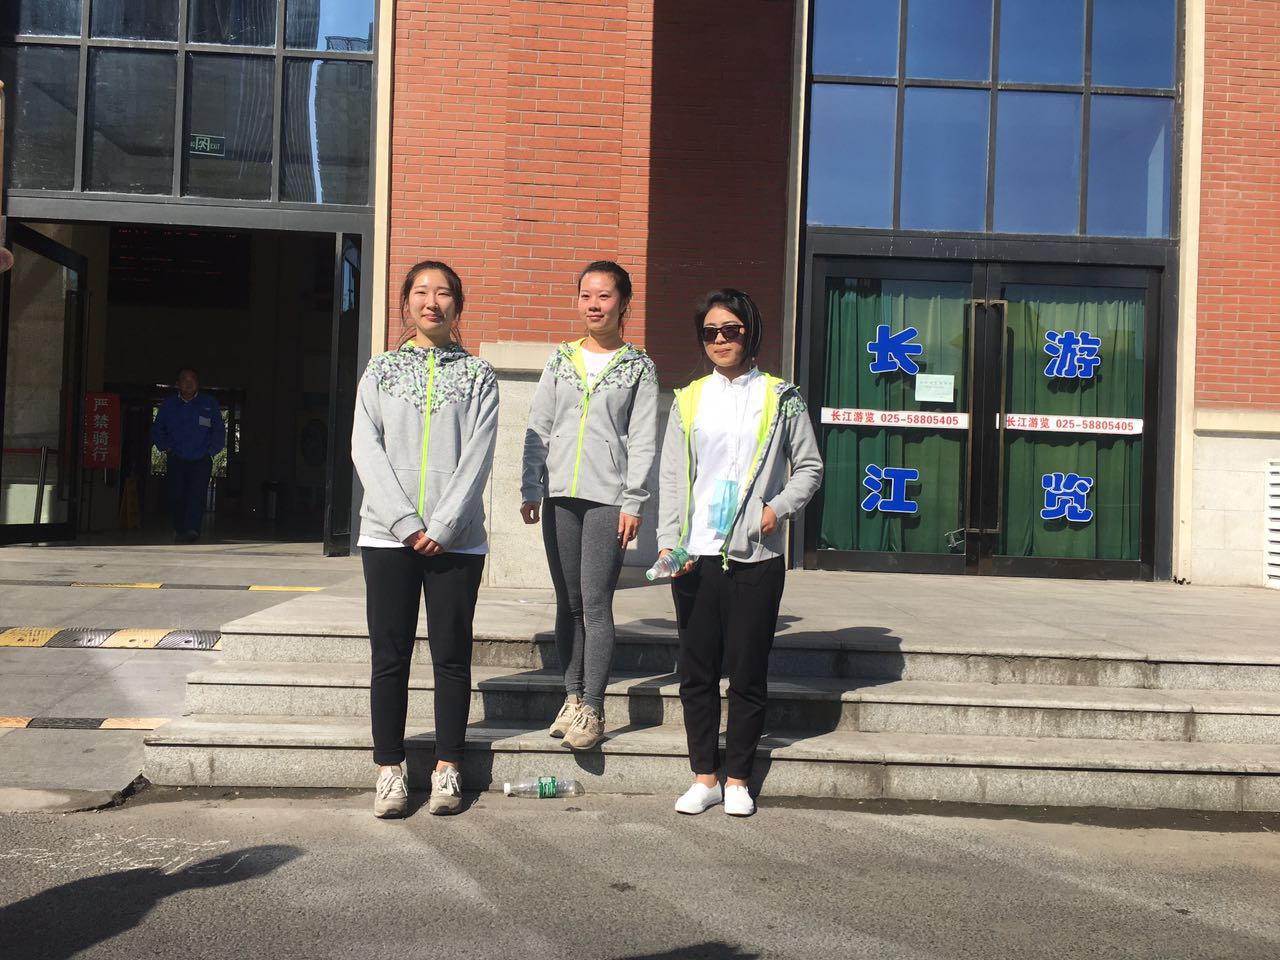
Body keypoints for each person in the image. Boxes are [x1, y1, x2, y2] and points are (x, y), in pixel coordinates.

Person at [656, 288, 823, 817]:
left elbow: (810, 467)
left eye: (731, 330)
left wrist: (777, 509)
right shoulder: (689, 399)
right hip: (696, 553)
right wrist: (669, 542)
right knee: (697, 672)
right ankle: (704, 776)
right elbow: (672, 477)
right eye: (711, 332)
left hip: (756, 555)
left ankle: (738, 779)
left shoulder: (781, 396)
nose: (721, 340)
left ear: (750, 332)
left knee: (748, 672)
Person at [351, 260, 499, 819]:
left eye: (442, 293)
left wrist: (441, 527)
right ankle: (389, 769)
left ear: (457, 304)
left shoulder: (479, 376)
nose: (431, 302)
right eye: (420, 292)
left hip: (457, 542)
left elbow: (478, 456)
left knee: (451, 656)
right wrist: (405, 524)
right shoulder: (380, 371)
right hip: (387, 538)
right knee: (389, 656)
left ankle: (447, 767)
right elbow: (365, 448)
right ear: (406, 302)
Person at [520, 261, 659, 751]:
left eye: (604, 296)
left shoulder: (638, 366)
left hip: (608, 499)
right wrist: (530, 486)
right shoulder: (561, 359)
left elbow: (643, 439)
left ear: (624, 303)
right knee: (569, 603)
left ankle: (594, 707)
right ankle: (572, 697)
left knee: (596, 604)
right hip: (560, 495)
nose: (594, 305)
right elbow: (538, 425)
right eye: (586, 296)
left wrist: (634, 501)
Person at [151, 367, 225, 543]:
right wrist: (166, 447)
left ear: (198, 383)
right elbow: (158, 428)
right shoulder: (169, 405)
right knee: (177, 494)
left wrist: (211, 451)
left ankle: (192, 529)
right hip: (177, 457)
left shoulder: (209, 403)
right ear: (178, 384)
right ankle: (180, 528)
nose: (189, 383)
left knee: (197, 494)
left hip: (201, 459)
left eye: (192, 379)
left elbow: (219, 430)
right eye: (185, 379)